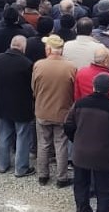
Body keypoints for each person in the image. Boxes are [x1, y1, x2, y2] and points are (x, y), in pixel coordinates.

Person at [63, 73, 109, 212]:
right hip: (103, 154)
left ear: (93, 86)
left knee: (81, 185)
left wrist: (76, 140)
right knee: (104, 188)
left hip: (81, 152)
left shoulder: (79, 104)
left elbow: (68, 125)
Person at [31, 34, 76, 187]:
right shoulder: (71, 66)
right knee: (61, 144)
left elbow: (34, 88)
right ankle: (61, 178)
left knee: (43, 143)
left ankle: (43, 175)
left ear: (49, 49)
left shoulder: (39, 65)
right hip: (62, 112)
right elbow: (74, 90)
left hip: (42, 110)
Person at [0, 34, 36, 177]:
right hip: (21, 105)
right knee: (22, 136)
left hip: (3, 102)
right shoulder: (27, 63)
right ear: (23, 47)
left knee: (4, 134)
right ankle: (21, 168)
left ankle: (2, 164)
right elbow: (31, 86)